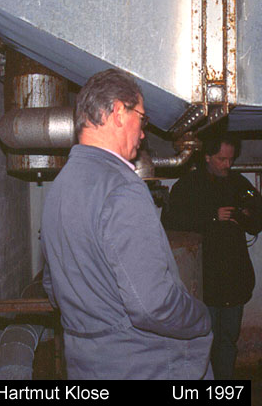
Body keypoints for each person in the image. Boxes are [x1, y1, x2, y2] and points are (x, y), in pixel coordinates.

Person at [41, 69, 213, 379]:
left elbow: (53, 287)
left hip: (85, 364)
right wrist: (200, 316)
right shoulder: (121, 187)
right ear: (119, 112)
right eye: (142, 119)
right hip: (145, 366)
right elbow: (153, 306)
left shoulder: (60, 186)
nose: (143, 134)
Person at [161, 135, 262, 379]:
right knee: (202, 341)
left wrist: (243, 216)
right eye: (221, 159)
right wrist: (211, 216)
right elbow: (171, 223)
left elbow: (261, 215)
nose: (227, 165)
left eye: (231, 159)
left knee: (228, 339)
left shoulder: (238, 183)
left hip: (233, 278)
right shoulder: (187, 186)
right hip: (202, 280)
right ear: (207, 157)